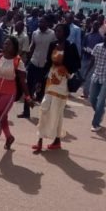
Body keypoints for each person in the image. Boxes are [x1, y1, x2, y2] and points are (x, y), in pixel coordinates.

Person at [0, 35, 31, 160]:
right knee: (2, 119)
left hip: (9, 93)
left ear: (14, 47)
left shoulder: (18, 62)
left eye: (8, 44)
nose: (5, 46)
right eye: (5, 43)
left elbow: (23, 81)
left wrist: (28, 97)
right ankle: (9, 137)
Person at [34, 23, 80, 152]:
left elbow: (77, 64)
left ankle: (57, 141)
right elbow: (48, 63)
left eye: (59, 31)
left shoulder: (71, 46)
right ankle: (40, 140)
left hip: (62, 83)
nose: (57, 33)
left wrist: (66, 67)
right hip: (50, 80)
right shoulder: (53, 44)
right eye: (56, 30)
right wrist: (40, 80)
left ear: (65, 33)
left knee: (57, 112)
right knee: (44, 108)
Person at [19, 16, 55, 118]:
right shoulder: (35, 33)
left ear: (47, 23)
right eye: (39, 22)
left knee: (43, 90)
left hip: (45, 65)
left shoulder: (52, 35)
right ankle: (26, 111)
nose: (40, 24)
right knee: (28, 87)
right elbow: (32, 46)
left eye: (42, 22)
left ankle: (44, 115)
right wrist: (27, 57)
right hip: (34, 62)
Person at [80, 21, 104, 100]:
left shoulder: (100, 37)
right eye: (94, 25)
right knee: (83, 74)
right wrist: (85, 49)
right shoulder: (87, 35)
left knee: (89, 76)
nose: (95, 26)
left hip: (93, 59)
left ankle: (86, 93)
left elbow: (101, 49)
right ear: (92, 25)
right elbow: (83, 45)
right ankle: (86, 91)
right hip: (85, 58)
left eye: (97, 25)